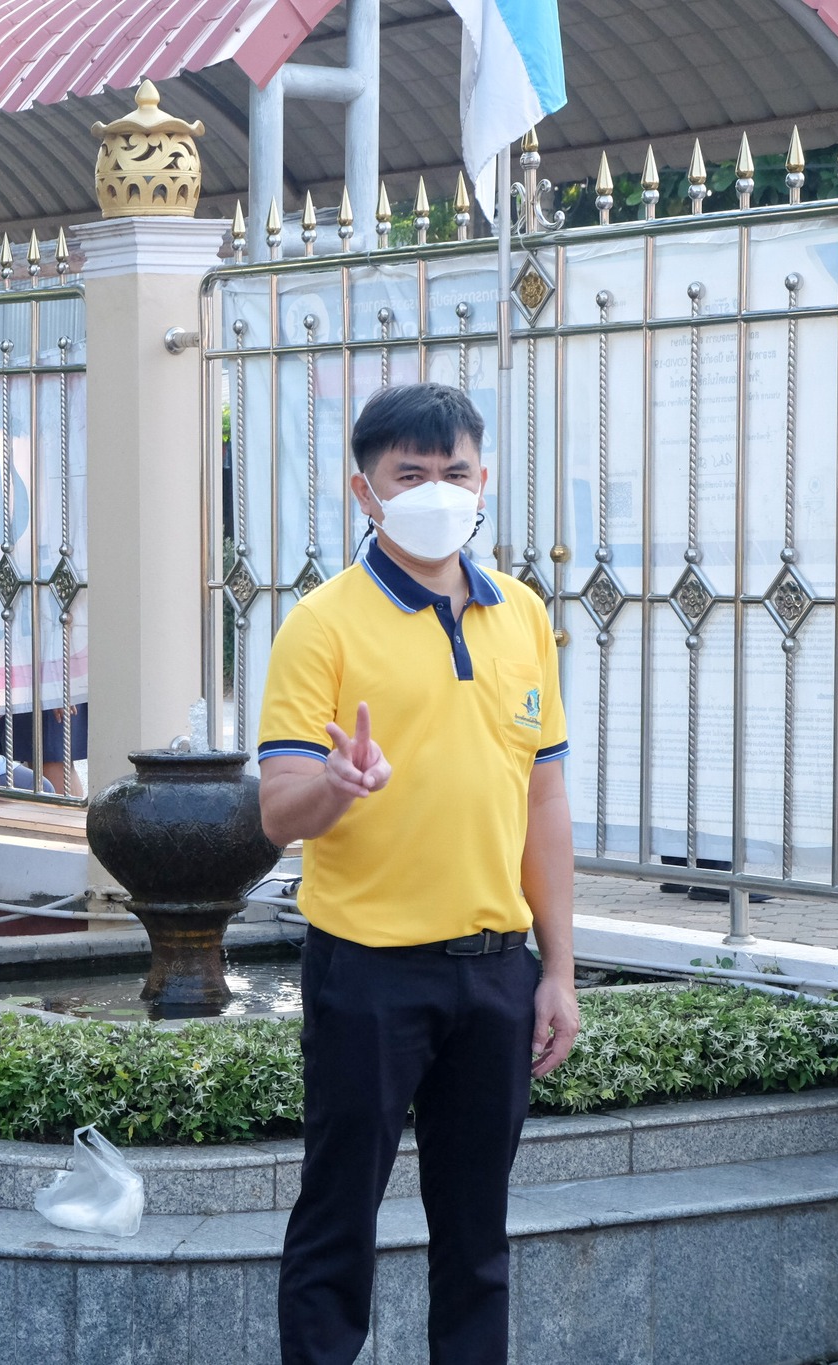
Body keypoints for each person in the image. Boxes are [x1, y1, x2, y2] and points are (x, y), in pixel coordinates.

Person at [257, 382, 579, 1365]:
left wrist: (556, 968)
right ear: (365, 492)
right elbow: (277, 810)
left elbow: (542, 800)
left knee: (476, 1238)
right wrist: (337, 791)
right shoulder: (321, 625)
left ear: (482, 481)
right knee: (335, 1225)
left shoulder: (521, 615)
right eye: (410, 474)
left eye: (453, 473)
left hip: (493, 972)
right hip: (367, 973)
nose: (435, 491)